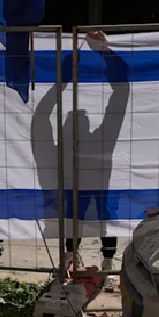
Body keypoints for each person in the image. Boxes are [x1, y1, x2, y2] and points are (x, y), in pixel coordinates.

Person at [31, 31, 130, 290]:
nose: (78, 121)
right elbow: (40, 118)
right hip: (76, 193)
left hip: (95, 192)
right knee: (76, 219)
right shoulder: (71, 149)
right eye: (75, 119)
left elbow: (121, 93)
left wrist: (104, 52)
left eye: (80, 119)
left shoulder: (101, 141)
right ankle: (71, 260)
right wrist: (62, 81)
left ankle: (105, 263)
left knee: (100, 219)